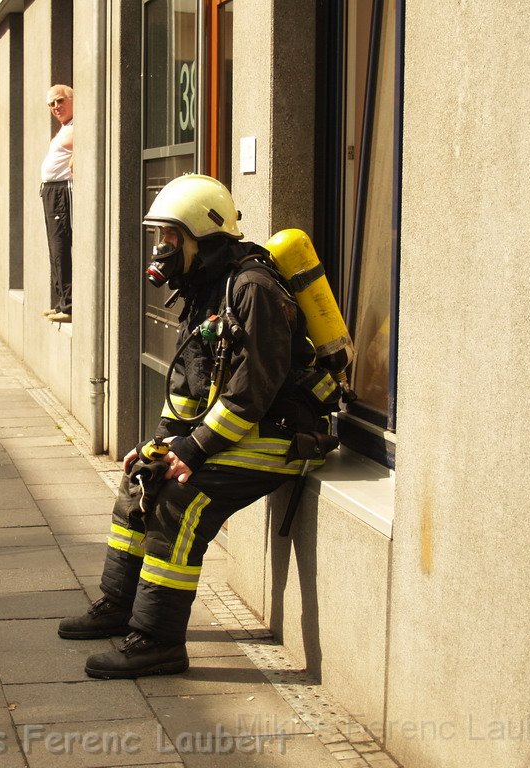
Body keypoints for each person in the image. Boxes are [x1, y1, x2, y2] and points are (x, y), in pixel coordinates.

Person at [57, 174, 341, 679]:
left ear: (202, 236)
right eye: (160, 238)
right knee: (141, 476)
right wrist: (162, 445)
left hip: (283, 434)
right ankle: (120, 607)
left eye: (171, 238)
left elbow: (250, 396)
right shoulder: (204, 287)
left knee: (180, 501)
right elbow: (191, 386)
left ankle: (159, 641)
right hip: (243, 429)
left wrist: (193, 451)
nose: (162, 250)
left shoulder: (253, 290)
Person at [40, 84, 74, 323]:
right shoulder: (65, 128)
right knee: (54, 247)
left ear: (73, 99)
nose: (55, 107)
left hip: (61, 192)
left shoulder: (77, 126)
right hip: (51, 190)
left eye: (60, 101)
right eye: (51, 104)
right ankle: (59, 301)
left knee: (60, 244)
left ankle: (68, 305)